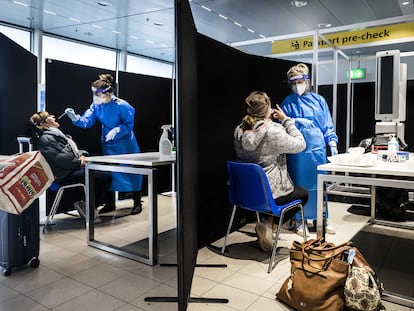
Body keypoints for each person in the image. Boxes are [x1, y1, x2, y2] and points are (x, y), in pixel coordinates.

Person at [234, 91, 308, 252]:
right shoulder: (273, 130)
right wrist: (286, 120)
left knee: (279, 195)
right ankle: (269, 227)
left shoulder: (239, 130)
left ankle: (267, 225)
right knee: (302, 194)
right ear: (268, 109)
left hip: (243, 194)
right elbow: (301, 144)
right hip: (268, 194)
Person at [64, 74, 143, 215]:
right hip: (108, 143)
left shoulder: (123, 106)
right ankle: (110, 204)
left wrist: (118, 129)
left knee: (130, 172)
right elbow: (87, 121)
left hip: (125, 144)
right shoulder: (96, 106)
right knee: (111, 173)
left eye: (97, 93)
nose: (95, 96)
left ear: (107, 93)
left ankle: (137, 202)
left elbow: (128, 124)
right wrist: (76, 118)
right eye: (93, 93)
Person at [280, 63, 338, 236]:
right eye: (294, 83)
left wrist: (332, 143)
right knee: (300, 187)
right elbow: (282, 127)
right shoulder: (287, 102)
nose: (298, 86)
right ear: (290, 83)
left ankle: (322, 219)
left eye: (300, 82)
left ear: (307, 81)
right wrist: (296, 122)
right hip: (297, 154)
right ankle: (299, 221)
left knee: (320, 186)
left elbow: (327, 124)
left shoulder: (319, 101)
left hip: (317, 150)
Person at [29, 111, 112, 222]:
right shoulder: (47, 139)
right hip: (64, 175)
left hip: (69, 170)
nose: (53, 116)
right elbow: (62, 159)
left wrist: (82, 155)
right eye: (49, 116)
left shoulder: (56, 134)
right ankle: (88, 207)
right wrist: (79, 162)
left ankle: (87, 205)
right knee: (103, 177)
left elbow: (71, 151)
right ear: (43, 124)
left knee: (102, 174)